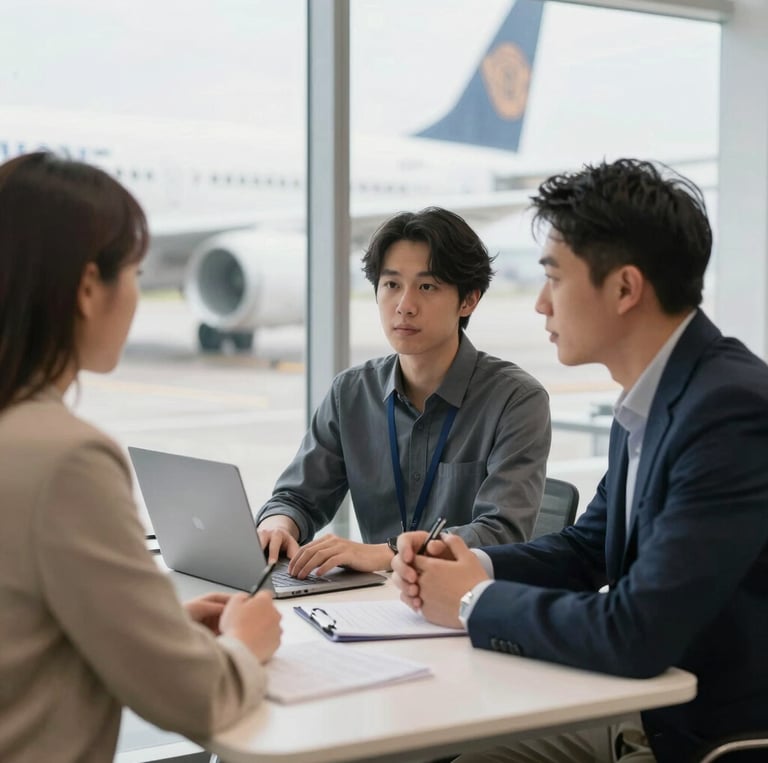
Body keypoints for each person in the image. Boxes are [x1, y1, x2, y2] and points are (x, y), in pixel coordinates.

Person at [392, 159, 768, 762]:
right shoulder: (648, 397)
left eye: (554, 278)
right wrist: (473, 565)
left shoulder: (730, 410)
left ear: (624, 288)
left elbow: (636, 630)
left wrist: (470, 602)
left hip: (709, 739)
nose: (541, 304)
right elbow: (587, 550)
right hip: (639, 708)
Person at [0, 152, 283, 763]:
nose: (137, 293)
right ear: (85, 289)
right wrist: (245, 644)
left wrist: (157, 626)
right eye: (134, 272)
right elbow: (199, 697)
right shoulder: (67, 458)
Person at [257, 207, 551, 578]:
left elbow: (502, 532)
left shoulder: (516, 400)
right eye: (391, 284)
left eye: (427, 287)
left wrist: (386, 553)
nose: (404, 306)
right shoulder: (351, 393)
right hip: (370, 606)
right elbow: (298, 497)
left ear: (468, 300)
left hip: (466, 609)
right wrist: (279, 525)